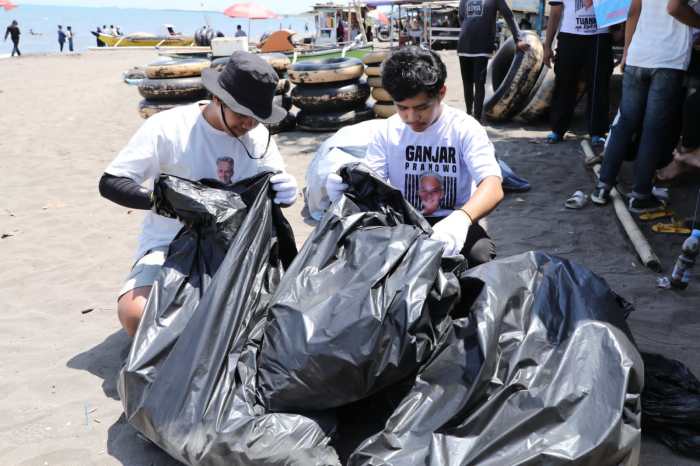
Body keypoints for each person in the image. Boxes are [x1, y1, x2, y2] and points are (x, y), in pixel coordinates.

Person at [98, 51, 299, 337]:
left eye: (257, 117)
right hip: (169, 244)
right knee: (135, 315)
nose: (249, 125)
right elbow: (111, 182)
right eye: (242, 115)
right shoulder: (168, 127)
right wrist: (164, 201)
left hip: (237, 248)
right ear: (218, 99)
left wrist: (286, 193)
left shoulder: (258, 137)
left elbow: (276, 190)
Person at [326, 47, 503, 264]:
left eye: (421, 107)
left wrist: (461, 219)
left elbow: (493, 186)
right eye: (402, 108)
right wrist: (344, 190)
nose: (411, 117)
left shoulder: (464, 128)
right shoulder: (386, 131)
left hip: (453, 220)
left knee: (480, 256)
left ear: (441, 93)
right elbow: (373, 187)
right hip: (403, 222)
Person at [591, 0, 695, 212]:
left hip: (639, 54)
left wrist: (628, 50)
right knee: (653, 130)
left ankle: (602, 187)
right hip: (668, 59)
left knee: (625, 124)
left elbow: (633, 10)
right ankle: (640, 195)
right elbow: (674, 8)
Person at [543, 0, 613, 145]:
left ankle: (598, 132)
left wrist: (619, 31)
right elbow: (555, 12)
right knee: (564, 83)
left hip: (599, 37)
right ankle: (558, 129)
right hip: (570, 37)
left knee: (599, 85)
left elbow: (618, 7)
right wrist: (547, 46)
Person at [458, 0, 528, 122]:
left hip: (482, 46)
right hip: (463, 46)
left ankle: (477, 117)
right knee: (467, 83)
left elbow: (509, 15)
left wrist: (518, 39)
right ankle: (468, 114)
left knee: (479, 83)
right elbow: (461, 18)